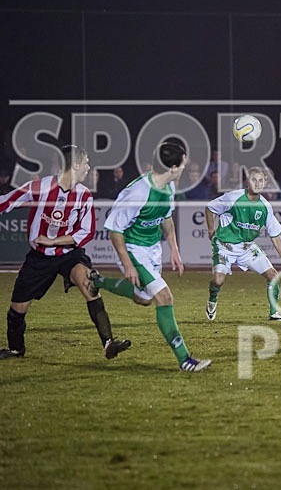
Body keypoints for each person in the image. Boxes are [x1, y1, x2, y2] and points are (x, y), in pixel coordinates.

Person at [0, 145, 131, 360]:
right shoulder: (39, 188)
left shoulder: (84, 195)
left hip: (69, 254)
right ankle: (16, 349)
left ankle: (109, 342)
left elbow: (86, 232)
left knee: (88, 283)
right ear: (76, 164)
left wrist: (54, 241)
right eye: (86, 162)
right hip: (39, 258)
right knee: (18, 307)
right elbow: (6, 202)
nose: (89, 167)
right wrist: (48, 243)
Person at [89, 141, 211, 372]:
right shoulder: (138, 192)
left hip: (152, 249)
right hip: (133, 249)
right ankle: (185, 359)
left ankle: (97, 281)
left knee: (143, 298)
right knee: (164, 298)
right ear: (174, 166)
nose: (186, 166)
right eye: (184, 162)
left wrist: (174, 249)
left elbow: (166, 217)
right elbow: (114, 229)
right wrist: (128, 265)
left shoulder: (169, 186)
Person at [204, 166, 281, 322]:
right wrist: (211, 230)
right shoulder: (233, 197)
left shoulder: (266, 206)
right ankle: (212, 298)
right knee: (218, 281)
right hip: (225, 246)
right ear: (247, 181)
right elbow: (210, 208)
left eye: (261, 180)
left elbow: (275, 235)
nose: (257, 183)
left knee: (273, 275)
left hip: (247, 248)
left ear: (266, 182)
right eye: (254, 180)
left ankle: (274, 313)